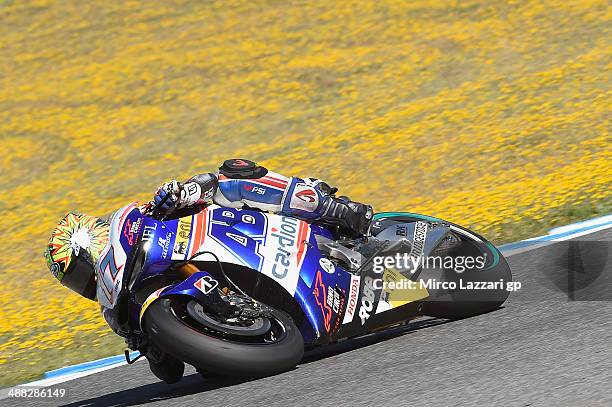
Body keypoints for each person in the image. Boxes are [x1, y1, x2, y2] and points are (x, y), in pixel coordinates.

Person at [44, 158, 373, 382]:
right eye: (74, 282)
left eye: (79, 271)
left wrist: (179, 195)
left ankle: (336, 211)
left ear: (92, 244)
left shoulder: (142, 222)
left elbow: (205, 187)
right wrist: (150, 344)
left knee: (234, 173)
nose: (83, 283)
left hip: (253, 235)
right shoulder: (119, 312)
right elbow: (169, 373)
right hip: (263, 339)